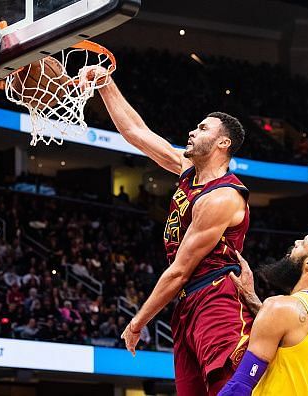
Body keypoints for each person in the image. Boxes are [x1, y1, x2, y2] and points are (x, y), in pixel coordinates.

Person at [79, 67, 252, 395]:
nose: (191, 131)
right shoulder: (189, 172)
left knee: (227, 390)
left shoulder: (222, 196)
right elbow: (135, 132)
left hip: (216, 297)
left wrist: (137, 321)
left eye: (202, 128)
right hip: (187, 304)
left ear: (223, 143)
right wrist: (105, 83)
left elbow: (179, 271)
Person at [219, 212, 308, 396]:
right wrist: (251, 296)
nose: (296, 242)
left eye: (303, 243)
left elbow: (242, 383)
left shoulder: (280, 307)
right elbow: (286, 328)